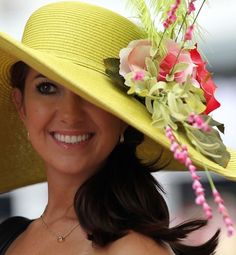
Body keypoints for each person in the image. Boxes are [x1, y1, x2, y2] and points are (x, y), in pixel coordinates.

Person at [0, 1, 235, 254]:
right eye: (46, 88)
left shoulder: (134, 249)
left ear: (123, 115)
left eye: (91, 95)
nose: (69, 114)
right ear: (21, 104)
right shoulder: (9, 235)